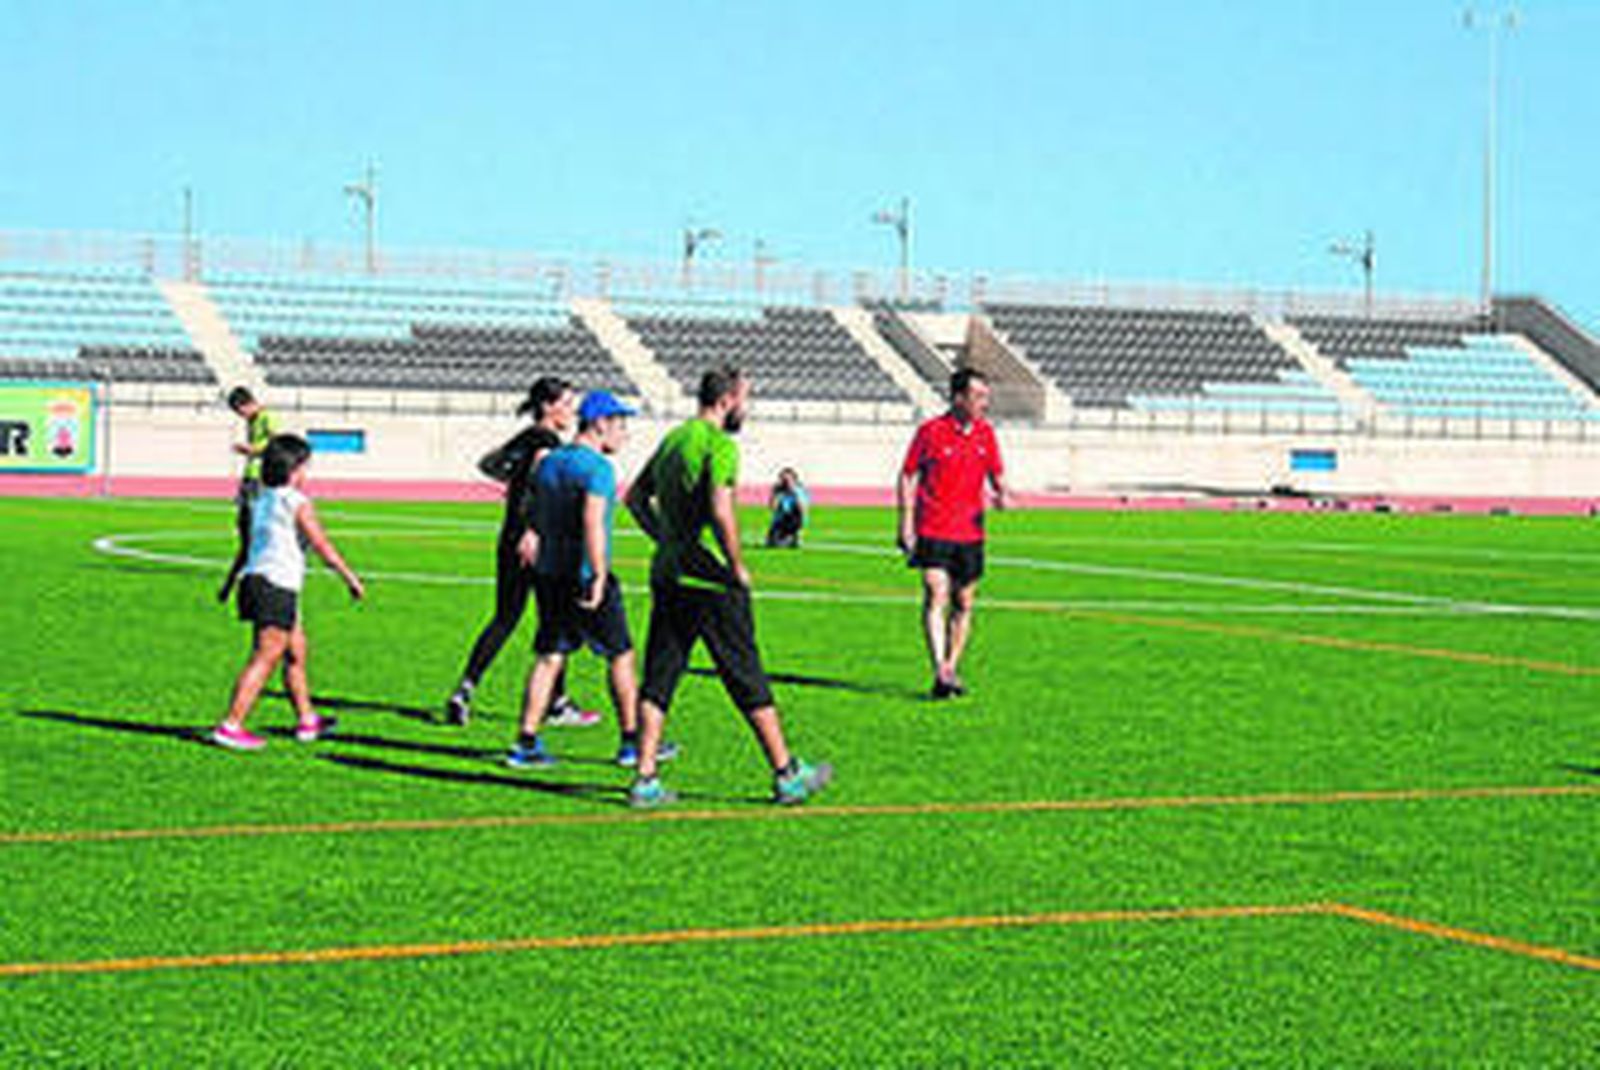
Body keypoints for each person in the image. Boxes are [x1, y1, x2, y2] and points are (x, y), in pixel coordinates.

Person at [624, 365, 832, 809]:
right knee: (745, 674)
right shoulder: (719, 445)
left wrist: (666, 540)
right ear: (728, 399)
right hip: (709, 579)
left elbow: (635, 499)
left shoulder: (675, 439)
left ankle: (644, 779)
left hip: (668, 574)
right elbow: (721, 508)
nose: (748, 408)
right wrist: (735, 565)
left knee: (660, 676)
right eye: (746, 399)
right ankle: (786, 774)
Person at [504, 390, 678, 770]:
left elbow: (532, 511)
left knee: (549, 657)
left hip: (550, 573)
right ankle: (632, 741)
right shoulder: (598, 468)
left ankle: (525, 741)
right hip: (584, 575)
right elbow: (592, 524)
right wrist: (597, 575)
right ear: (600, 424)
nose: (624, 433)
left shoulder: (549, 462)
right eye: (620, 425)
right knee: (620, 655)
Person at [444, 377, 597, 728]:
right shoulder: (547, 441)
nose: (572, 411)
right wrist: (532, 527)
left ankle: (465, 689)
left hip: (508, 537)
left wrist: (510, 483)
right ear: (548, 406)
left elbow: (489, 464)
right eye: (567, 403)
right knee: (554, 619)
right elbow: (536, 486)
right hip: (535, 541)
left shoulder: (525, 437)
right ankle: (557, 705)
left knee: (506, 617)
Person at [212, 434, 364, 751]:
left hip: (255, 581)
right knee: (266, 656)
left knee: (295, 651)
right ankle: (231, 725)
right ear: (294, 469)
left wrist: (228, 584)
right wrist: (349, 577)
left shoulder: (257, 501)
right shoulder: (295, 502)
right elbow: (321, 544)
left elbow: (245, 549)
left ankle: (307, 720)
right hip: (276, 585)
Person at [896, 368, 1011, 699]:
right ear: (958, 397)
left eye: (986, 397)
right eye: (978, 396)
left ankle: (950, 665)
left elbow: (997, 475)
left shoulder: (986, 435)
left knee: (963, 602)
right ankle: (941, 669)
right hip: (932, 528)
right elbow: (907, 476)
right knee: (936, 593)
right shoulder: (931, 432)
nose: (984, 403)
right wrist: (905, 523)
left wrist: (1004, 493)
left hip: (970, 533)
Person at [217, 386, 279, 603]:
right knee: (244, 528)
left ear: (246, 404)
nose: (240, 416)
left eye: (239, 411)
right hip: (250, 480)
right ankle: (242, 574)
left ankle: (242, 577)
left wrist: (252, 449)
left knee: (253, 533)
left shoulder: (267, 417)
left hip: (258, 481)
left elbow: (275, 444)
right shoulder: (252, 421)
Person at [765, 467, 809, 548]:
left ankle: (794, 535)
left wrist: (795, 494)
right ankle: (784, 537)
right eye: (783, 480)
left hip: (794, 519)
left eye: (788, 480)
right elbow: (772, 508)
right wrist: (775, 495)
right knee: (770, 543)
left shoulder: (799, 491)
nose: (785, 483)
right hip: (780, 520)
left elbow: (803, 509)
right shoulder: (779, 491)